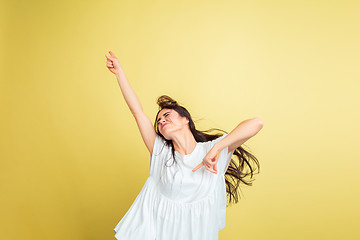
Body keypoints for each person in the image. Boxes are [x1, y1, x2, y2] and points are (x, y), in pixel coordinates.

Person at [105, 51, 263, 240]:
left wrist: (216, 149)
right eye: (158, 120)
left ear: (185, 119)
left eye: (167, 115)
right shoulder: (160, 153)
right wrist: (120, 73)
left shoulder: (212, 152)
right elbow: (137, 112)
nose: (161, 121)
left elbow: (256, 123)